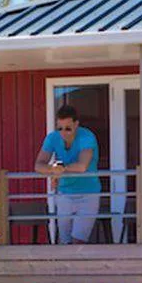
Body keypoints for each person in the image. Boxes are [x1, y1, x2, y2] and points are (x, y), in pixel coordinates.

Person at [34, 104, 101, 244]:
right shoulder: (52, 138)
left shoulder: (87, 137)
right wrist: (53, 170)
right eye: (60, 128)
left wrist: (60, 169)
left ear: (76, 124)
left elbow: (82, 166)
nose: (64, 132)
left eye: (68, 128)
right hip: (64, 193)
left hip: (88, 194)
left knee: (79, 240)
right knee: (64, 241)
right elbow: (38, 165)